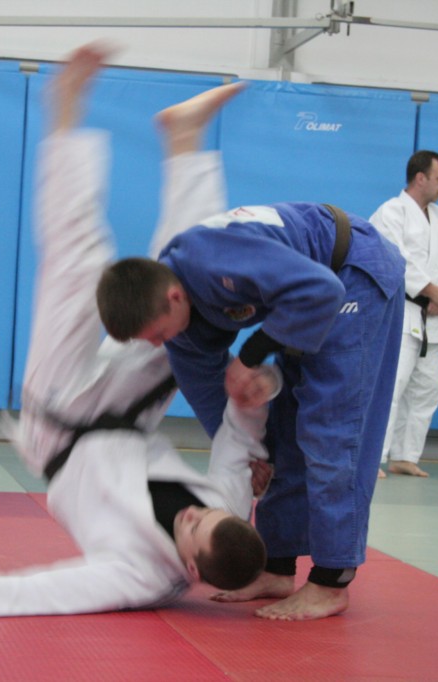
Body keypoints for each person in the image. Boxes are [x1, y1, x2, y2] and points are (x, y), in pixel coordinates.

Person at [0, 44, 270, 620]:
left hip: (59, 425)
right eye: (210, 513)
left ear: (191, 569)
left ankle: (65, 110)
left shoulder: (139, 574)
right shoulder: (224, 511)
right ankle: (186, 141)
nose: (197, 511)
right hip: (127, 416)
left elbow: (45, 589)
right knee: (184, 304)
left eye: (193, 527)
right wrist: (253, 397)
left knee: (74, 271)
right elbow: (237, 444)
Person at [96, 140, 406, 621]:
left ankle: (331, 581)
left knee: (330, 432)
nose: (158, 344)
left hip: (353, 272)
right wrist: (251, 455)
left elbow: (321, 289)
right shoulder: (181, 331)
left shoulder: (212, 260)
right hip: (307, 298)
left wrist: (253, 354)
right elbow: (215, 406)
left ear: (174, 297)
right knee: (281, 438)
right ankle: (276, 567)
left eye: (156, 333)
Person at [370, 150, 438, 478]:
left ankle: (405, 456)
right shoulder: (391, 212)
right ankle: (373, 457)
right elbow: (392, 257)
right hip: (402, 313)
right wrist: (429, 289)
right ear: (420, 178)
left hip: (435, 318)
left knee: (426, 391)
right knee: (390, 387)